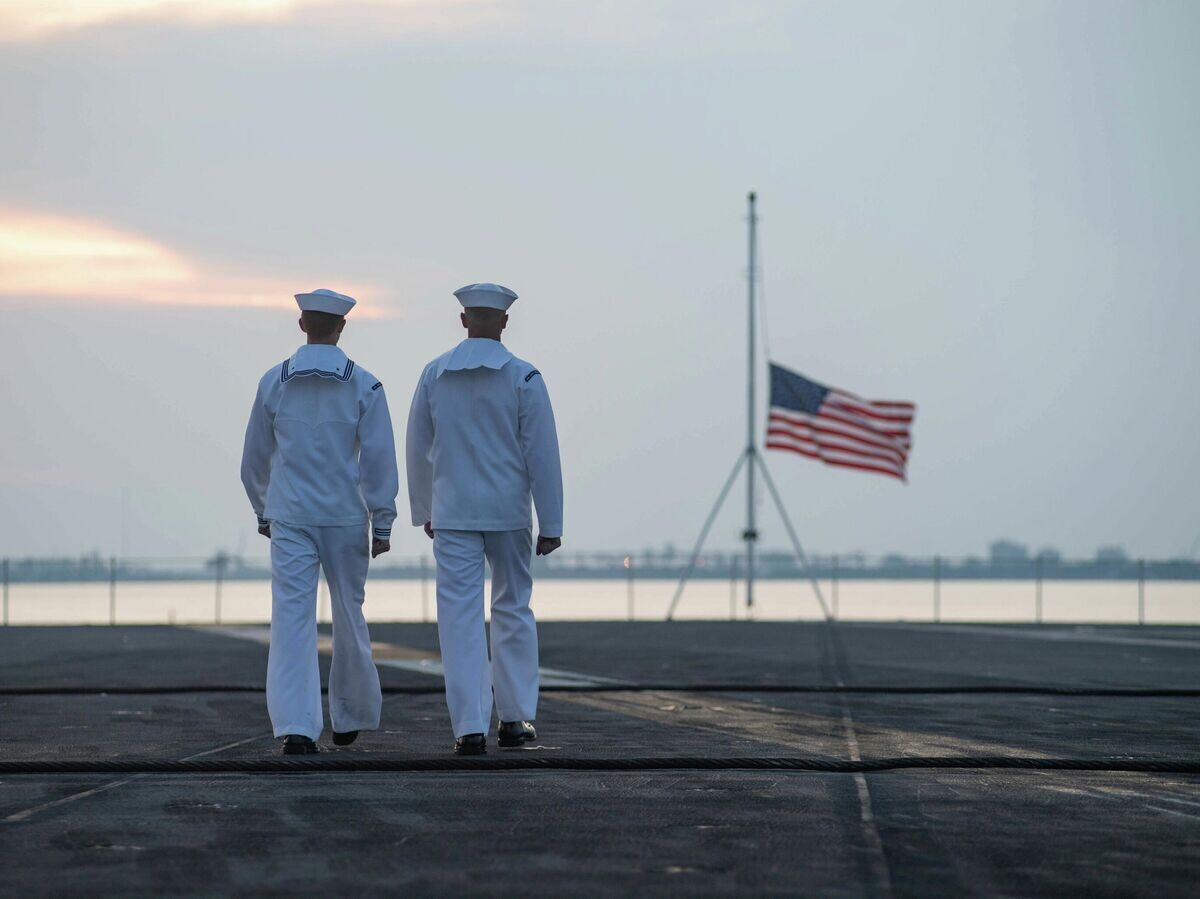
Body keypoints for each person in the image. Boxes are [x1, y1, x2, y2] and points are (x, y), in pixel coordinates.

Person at [406, 282, 563, 755]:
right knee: (513, 609)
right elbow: (543, 454)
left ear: (463, 319)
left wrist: (424, 509)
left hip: (453, 513)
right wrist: (551, 521)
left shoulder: (435, 374)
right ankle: (515, 719)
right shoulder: (524, 377)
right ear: (505, 322)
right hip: (508, 512)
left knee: (459, 617)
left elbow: (418, 448)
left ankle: (469, 726)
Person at [240, 288, 399, 755]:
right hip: (346, 517)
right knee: (349, 618)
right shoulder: (365, 385)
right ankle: (348, 716)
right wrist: (382, 519)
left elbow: (254, 458)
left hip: (289, 514)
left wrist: (262, 507)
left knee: (291, 621)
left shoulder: (274, 381)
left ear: (301, 324)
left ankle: (297, 727)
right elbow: (379, 459)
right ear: (341, 327)